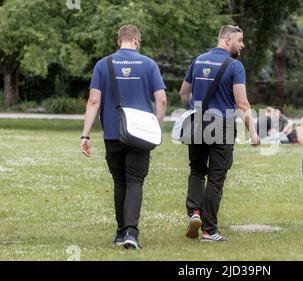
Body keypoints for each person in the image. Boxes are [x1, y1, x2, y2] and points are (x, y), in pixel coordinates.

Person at [80, 25, 167, 249]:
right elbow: (162, 100)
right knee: (135, 181)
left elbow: (93, 101)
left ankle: (120, 233)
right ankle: (131, 232)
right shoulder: (149, 64)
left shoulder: (103, 65)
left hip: (112, 133)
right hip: (140, 134)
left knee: (120, 182)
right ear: (136, 40)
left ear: (119, 41)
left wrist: (85, 134)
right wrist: (156, 127)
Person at [179, 25, 260, 242]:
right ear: (227, 40)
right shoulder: (235, 66)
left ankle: (194, 213)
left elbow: (184, 93)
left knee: (196, 171)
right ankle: (209, 230)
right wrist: (252, 132)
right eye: (240, 40)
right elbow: (242, 103)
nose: (242, 44)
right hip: (222, 125)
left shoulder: (198, 60)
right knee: (216, 177)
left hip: (197, 121)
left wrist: (193, 110)